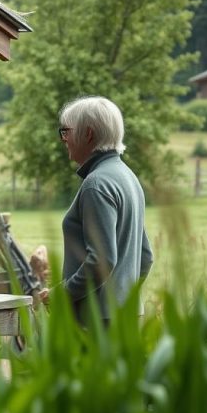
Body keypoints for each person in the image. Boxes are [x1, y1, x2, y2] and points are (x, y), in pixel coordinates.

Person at [48, 95, 153, 326]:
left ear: (88, 134)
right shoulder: (128, 177)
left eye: (66, 131)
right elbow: (146, 257)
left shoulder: (96, 184)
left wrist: (62, 294)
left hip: (95, 322)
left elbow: (102, 261)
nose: (63, 139)